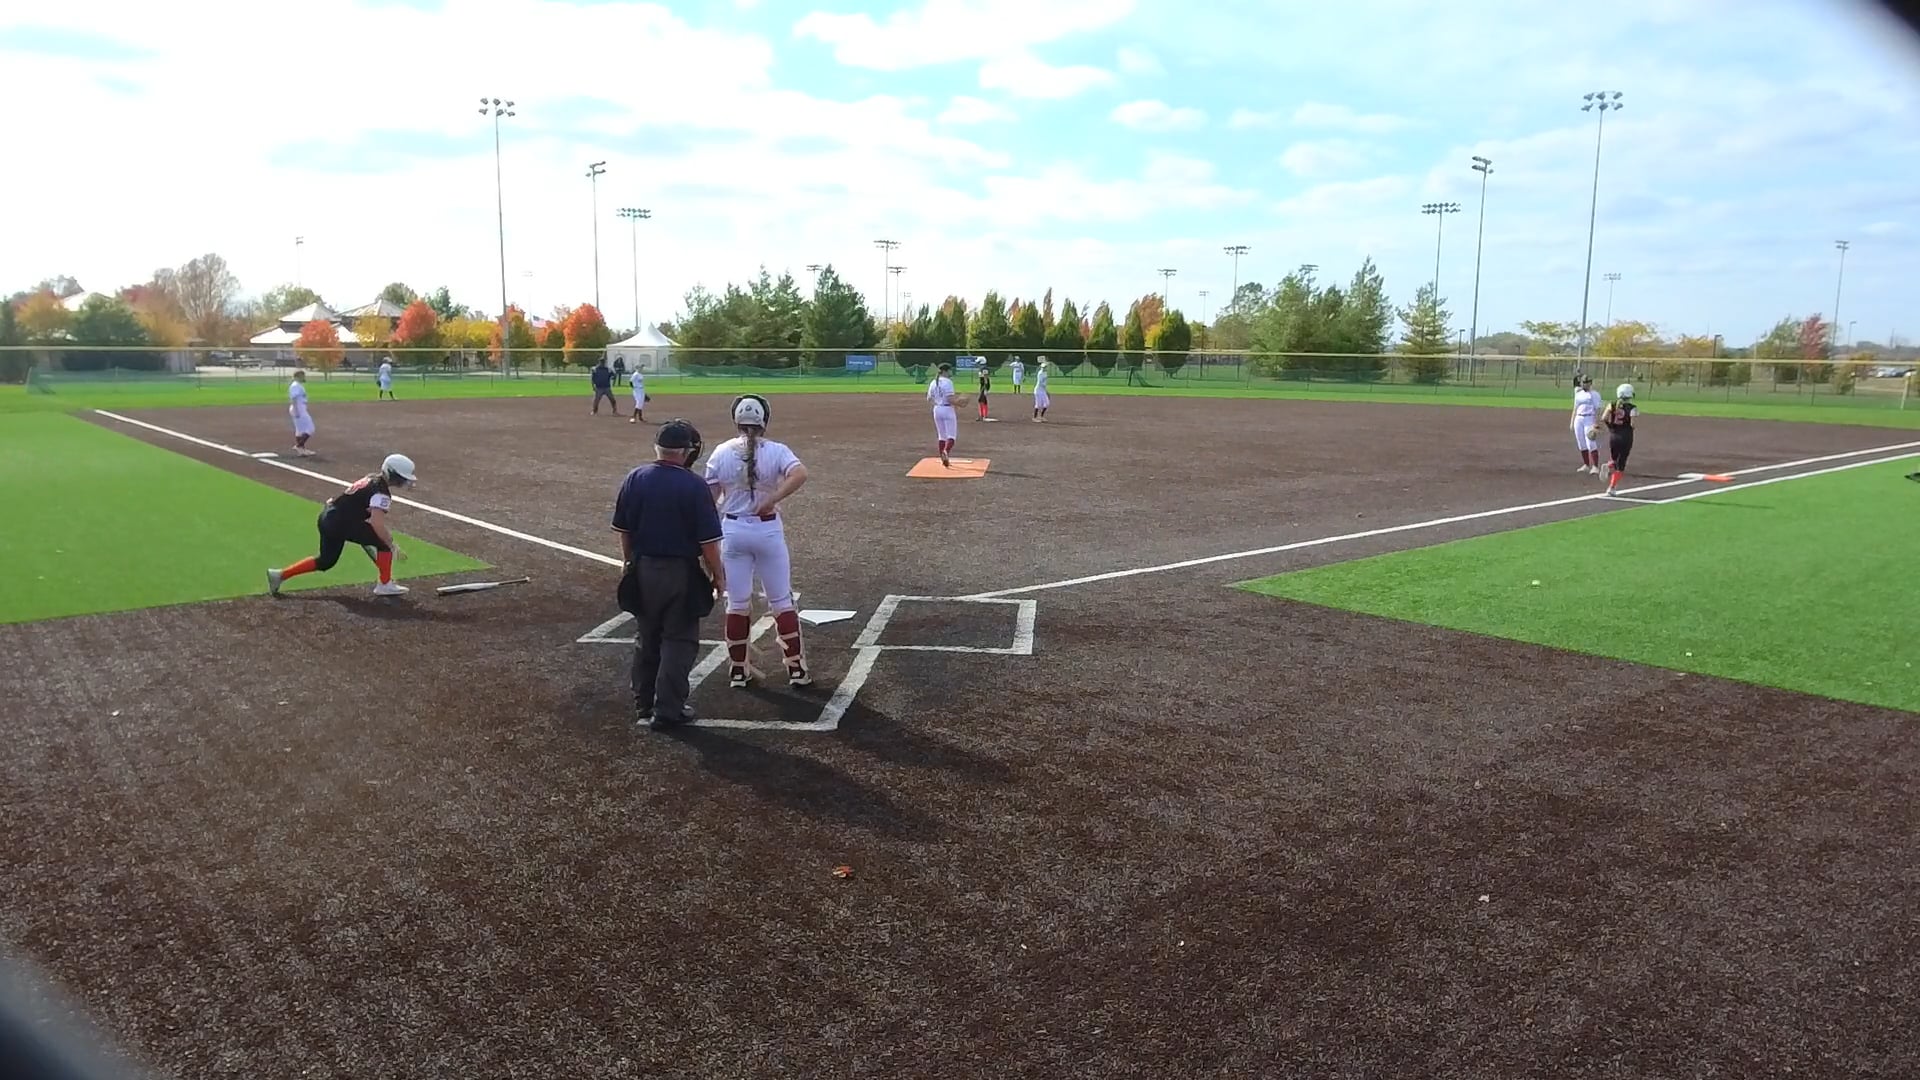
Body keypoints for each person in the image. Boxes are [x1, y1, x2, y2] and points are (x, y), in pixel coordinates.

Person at [613, 419, 726, 730]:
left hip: (643, 569)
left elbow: (624, 530)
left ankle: (644, 703)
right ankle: (668, 709)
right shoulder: (694, 485)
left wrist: (629, 563)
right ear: (686, 452)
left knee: (647, 637)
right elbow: (708, 543)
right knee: (679, 640)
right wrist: (718, 576)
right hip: (680, 573)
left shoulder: (636, 478)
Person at [705, 394, 812, 689]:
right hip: (767, 531)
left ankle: (739, 671)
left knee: (737, 602)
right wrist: (772, 498)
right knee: (781, 601)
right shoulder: (777, 451)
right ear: (764, 421)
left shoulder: (721, 452)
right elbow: (800, 473)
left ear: (736, 420)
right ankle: (796, 669)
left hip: (733, 531)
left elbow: (709, 500)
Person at [267, 454, 417, 598]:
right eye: (401, 478)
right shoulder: (382, 494)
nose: (404, 481)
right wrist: (391, 544)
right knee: (383, 543)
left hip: (328, 517)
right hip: (341, 524)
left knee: (326, 561)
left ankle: (280, 575)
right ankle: (384, 584)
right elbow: (376, 523)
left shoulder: (371, 478)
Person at [1600, 382, 1638, 496]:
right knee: (1621, 465)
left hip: (1613, 436)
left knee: (1614, 458)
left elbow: (1604, 418)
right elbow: (1632, 424)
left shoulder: (1612, 404)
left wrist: (1611, 427)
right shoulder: (1632, 408)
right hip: (1625, 437)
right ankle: (1611, 487)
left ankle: (1609, 465)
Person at [1570, 373, 1603, 474]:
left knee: (1590, 442)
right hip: (1578, 418)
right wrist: (1572, 421)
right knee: (1581, 442)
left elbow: (1598, 409)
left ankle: (1595, 467)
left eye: (1586, 382)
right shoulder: (1578, 394)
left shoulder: (1595, 394)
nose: (1584, 384)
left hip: (1589, 418)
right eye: (1583, 382)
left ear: (1590, 383)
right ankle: (1586, 465)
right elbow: (1575, 408)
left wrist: (1596, 423)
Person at [927, 361, 958, 467]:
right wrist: (959, 403)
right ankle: (946, 451)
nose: (951, 372)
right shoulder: (948, 382)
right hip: (947, 409)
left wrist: (938, 403)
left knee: (941, 436)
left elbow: (929, 399)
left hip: (937, 409)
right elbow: (950, 399)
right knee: (951, 436)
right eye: (949, 370)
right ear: (945, 371)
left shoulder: (933, 382)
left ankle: (942, 457)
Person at [286, 370, 316, 457]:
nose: (304, 378)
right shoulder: (296, 385)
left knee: (299, 430)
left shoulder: (297, 385)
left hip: (299, 408)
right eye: (302, 376)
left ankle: (301, 450)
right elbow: (294, 399)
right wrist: (296, 410)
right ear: (298, 377)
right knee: (311, 428)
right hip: (298, 408)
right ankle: (299, 446)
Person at [1031, 357, 1051, 422]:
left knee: (1047, 403)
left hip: (1042, 390)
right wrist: (1046, 390)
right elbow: (1041, 383)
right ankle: (1034, 417)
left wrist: (1046, 391)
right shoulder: (1040, 373)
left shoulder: (1045, 373)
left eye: (1045, 367)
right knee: (1038, 404)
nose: (1045, 368)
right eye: (1044, 367)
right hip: (1038, 390)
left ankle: (1041, 416)